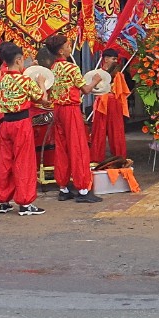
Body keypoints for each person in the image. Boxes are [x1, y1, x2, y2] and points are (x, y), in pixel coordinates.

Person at [43, 35, 104, 204]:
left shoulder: (52, 68)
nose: (71, 48)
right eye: (68, 46)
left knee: (61, 148)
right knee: (78, 147)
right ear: (61, 50)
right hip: (70, 110)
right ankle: (83, 189)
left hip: (57, 111)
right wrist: (95, 80)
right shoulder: (71, 68)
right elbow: (85, 90)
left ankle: (63, 187)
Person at [0, 42, 50, 216]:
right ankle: (25, 203)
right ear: (18, 61)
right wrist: (41, 82)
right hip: (21, 124)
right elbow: (44, 99)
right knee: (24, 162)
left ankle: (4, 200)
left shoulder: (3, 78)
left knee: (5, 162)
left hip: (5, 124)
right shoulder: (24, 80)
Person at [89, 48, 130, 163]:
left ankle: (120, 159)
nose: (115, 61)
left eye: (116, 59)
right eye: (113, 59)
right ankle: (95, 160)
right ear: (105, 59)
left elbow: (121, 93)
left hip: (114, 104)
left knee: (116, 133)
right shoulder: (97, 74)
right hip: (101, 103)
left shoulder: (118, 74)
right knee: (98, 133)